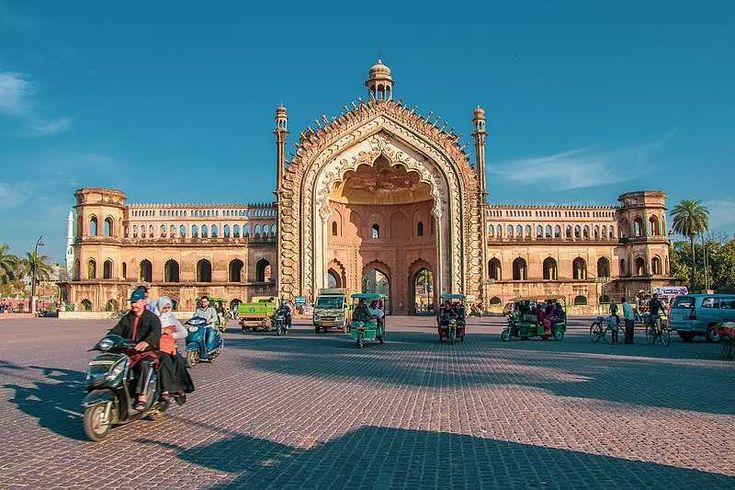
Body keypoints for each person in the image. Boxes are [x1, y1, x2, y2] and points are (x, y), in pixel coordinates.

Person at [109, 288, 161, 410]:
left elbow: (156, 332)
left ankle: (142, 395)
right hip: (128, 350)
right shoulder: (127, 318)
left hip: (146, 351)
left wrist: (146, 342)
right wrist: (108, 340)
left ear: (143, 302)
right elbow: (116, 330)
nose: (133, 305)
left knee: (145, 364)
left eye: (136, 302)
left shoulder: (152, 318)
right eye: (132, 302)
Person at [156, 297, 194, 404]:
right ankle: (165, 389)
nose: (166, 309)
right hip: (158, 346)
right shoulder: (155, 318)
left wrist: (173, 335)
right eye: (164, 307)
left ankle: (179, 387)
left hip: (170, 345)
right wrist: (162, 331)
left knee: (180, 361)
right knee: (165, 361)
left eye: (168, 307)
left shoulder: (171, 318)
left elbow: (184, 332)